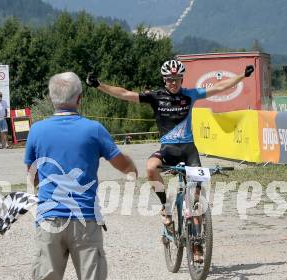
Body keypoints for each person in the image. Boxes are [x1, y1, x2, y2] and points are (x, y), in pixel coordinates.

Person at [24, 71, 137, 280]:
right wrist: (132, 169)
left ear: (51, 99)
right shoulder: (93, 129)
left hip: (49, 218)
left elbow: (32, 174)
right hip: (85, 218)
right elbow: (119, 161)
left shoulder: (37, 131)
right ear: (79, 98)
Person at [86, 59, 254, 225]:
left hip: (189, 151)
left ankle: (197, 244)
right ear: (164, 79)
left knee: (196, 201)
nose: (173, 83)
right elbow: (124, 93)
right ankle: (165, 206)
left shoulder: (190, 94)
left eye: (176, 79)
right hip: (168, 149)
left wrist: (242, 76)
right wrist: (99, 85)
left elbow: (219, 87)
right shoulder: (155, 97)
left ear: (182, 79)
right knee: (151, 168)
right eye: (169, 79)